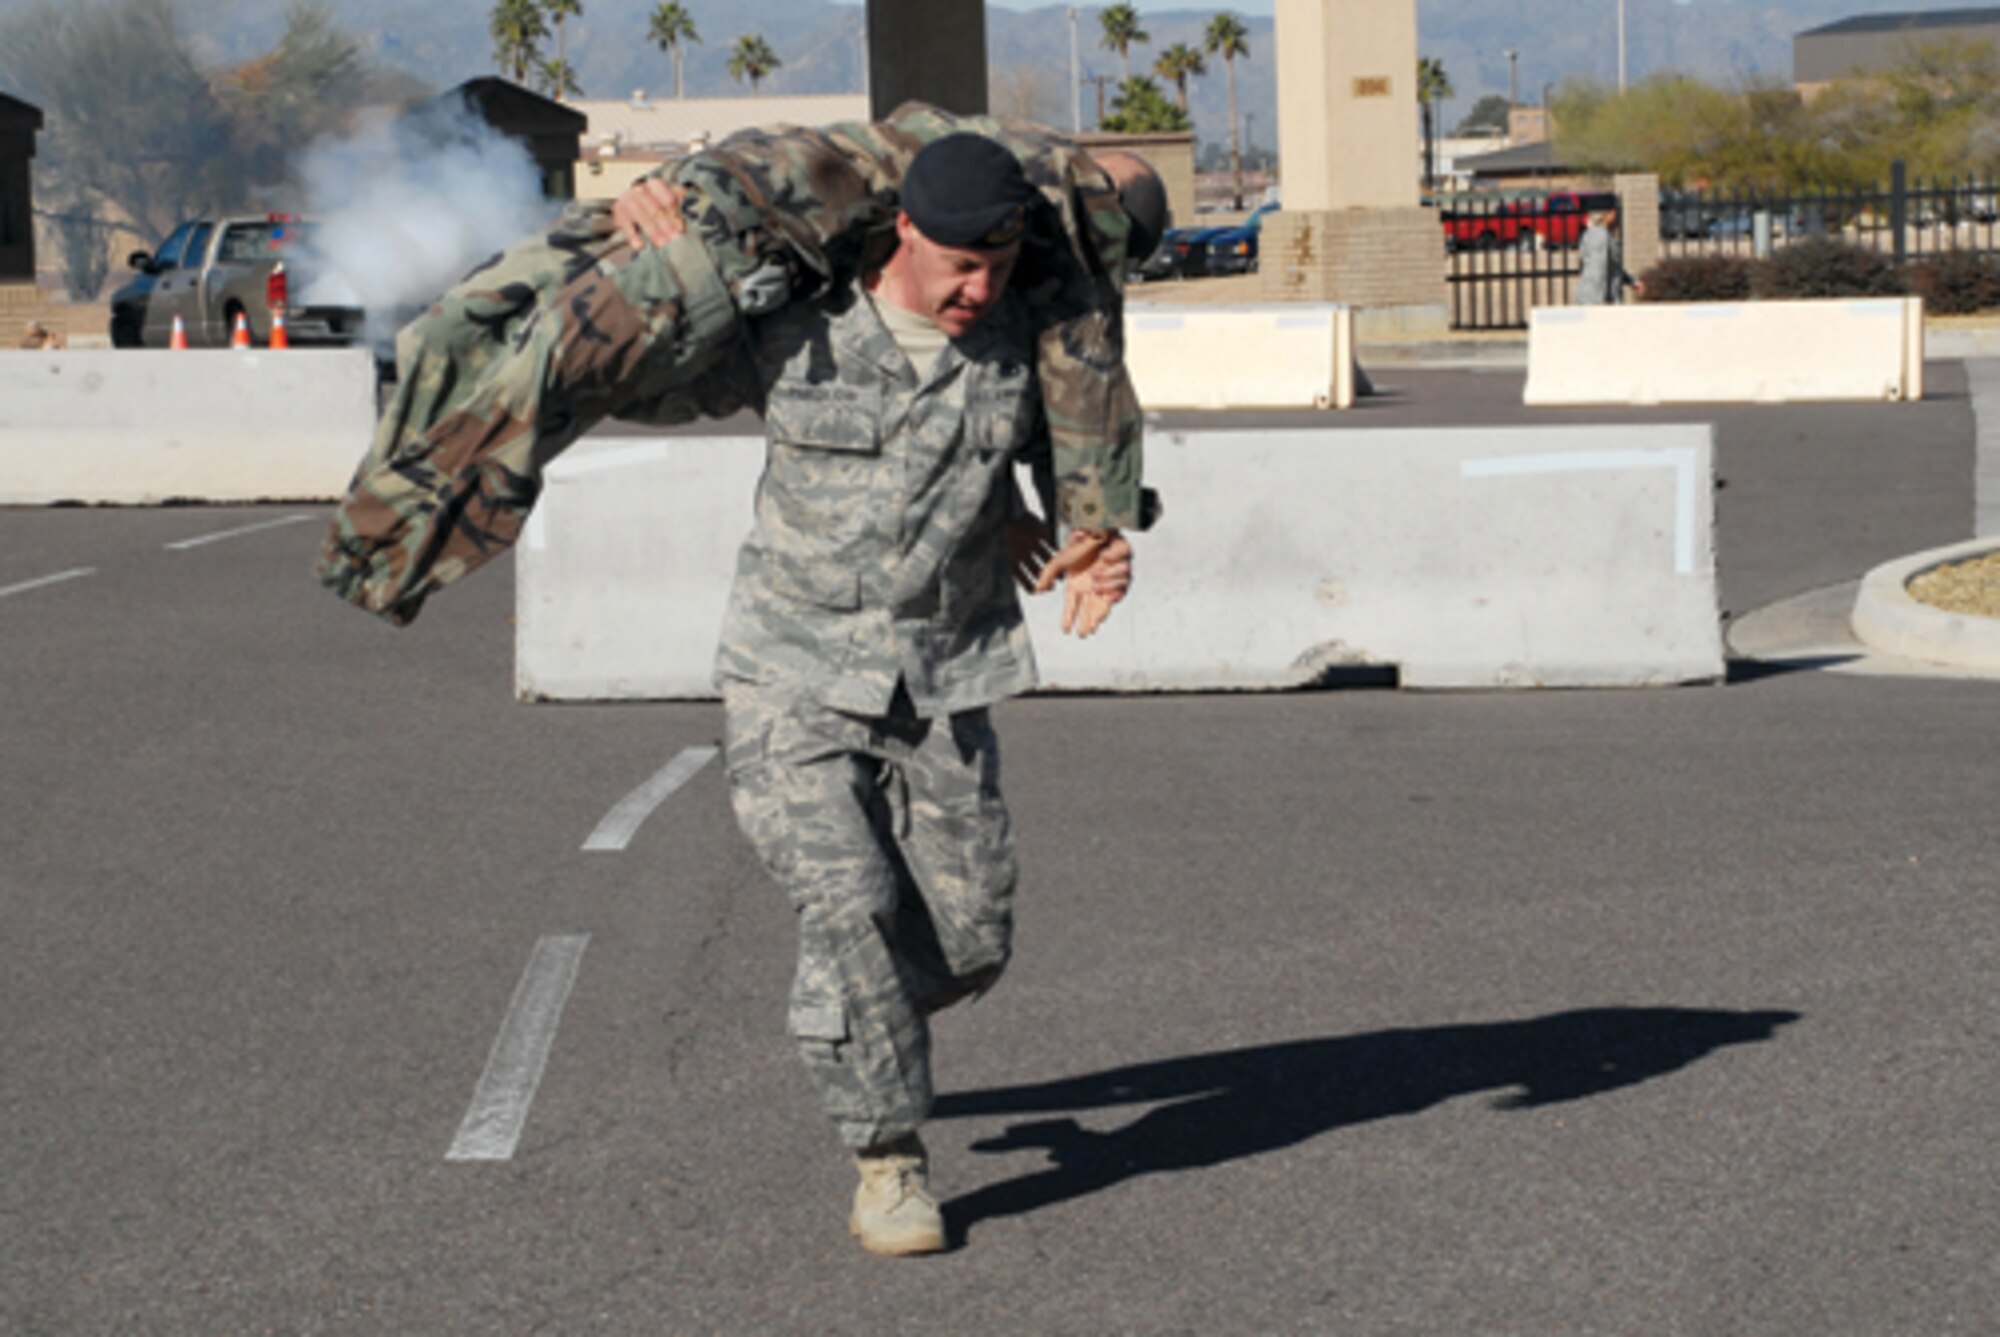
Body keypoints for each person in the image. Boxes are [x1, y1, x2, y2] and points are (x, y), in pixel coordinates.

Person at [697, 132, 1122, 1256]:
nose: (978, 290)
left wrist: (1086, 533)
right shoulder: (795, 325)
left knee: (973, 936)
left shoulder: (1021, 343)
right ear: (904, 233)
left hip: (940, 675)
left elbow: (1066, 453)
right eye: (959, 267)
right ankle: (888, 1158)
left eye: (1000, 267)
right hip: (791, 670)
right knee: (849, 901)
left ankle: (847, 1007)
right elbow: (637, 368)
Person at [316, 103, 1165, 631]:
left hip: (698, 215)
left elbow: (1008, 386)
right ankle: (373, 555)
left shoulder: (974, 149)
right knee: (512, 382)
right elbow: (1084, 368)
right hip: (703, 253)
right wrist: (1093, 520)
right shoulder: (1070, 199)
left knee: (471, 339)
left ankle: (372, 557)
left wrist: (669, 181)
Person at [1574, 206, 1640, 305]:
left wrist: (1632, 281)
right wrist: (1601, 302)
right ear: (1607, 215)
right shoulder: (1600, 236)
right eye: (1613, 211)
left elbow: (1613, 267)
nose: (1615, 215)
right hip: (1596, 299)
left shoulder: (1591, 234)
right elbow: (1598, 270)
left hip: (1594, 297)